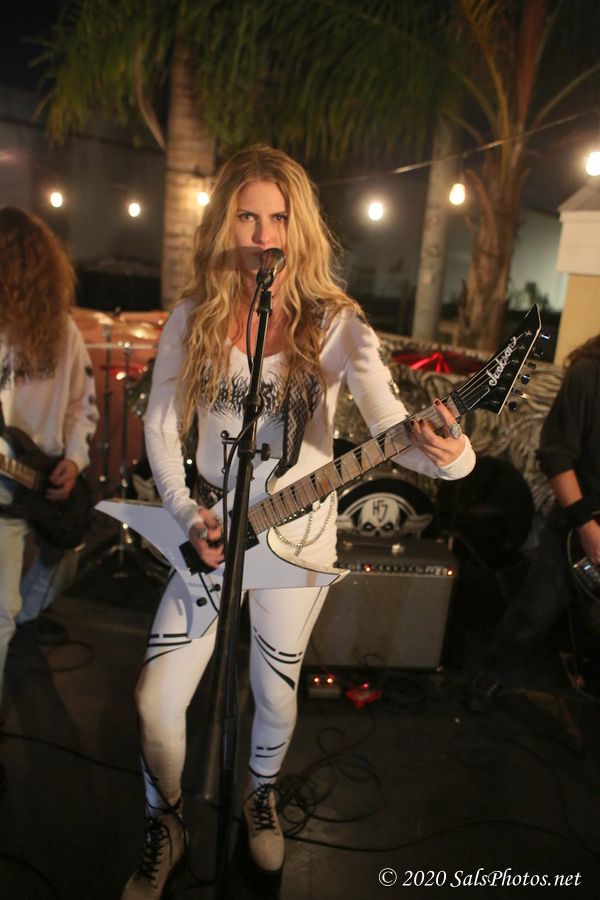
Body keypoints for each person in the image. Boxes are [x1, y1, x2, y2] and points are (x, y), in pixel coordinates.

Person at [124, 144, 476, 899]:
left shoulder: (339, 324)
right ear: (224, 224)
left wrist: (451, 454)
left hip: (299, 535)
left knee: (275, 690)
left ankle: (260, 796)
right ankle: (167, 820)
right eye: (247, 217)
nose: (263, 236)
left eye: (278, 218)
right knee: (155, 700)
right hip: (212, 531)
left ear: (300, 226)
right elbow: (159, 425)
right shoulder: (193, 315)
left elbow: (390, 425)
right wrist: (185, 510)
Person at [0, 207, 98, 788]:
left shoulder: (62, 332)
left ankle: (27, 618)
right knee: (0, 613)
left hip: (45, 479)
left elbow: (82, 407)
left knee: (63, 555)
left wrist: (73, 460)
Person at [464, 334, 600, 713]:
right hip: (578, 522)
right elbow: (556, 455)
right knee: (534, 612)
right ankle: (489, 676)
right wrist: (586, 527)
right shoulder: (587, 374)